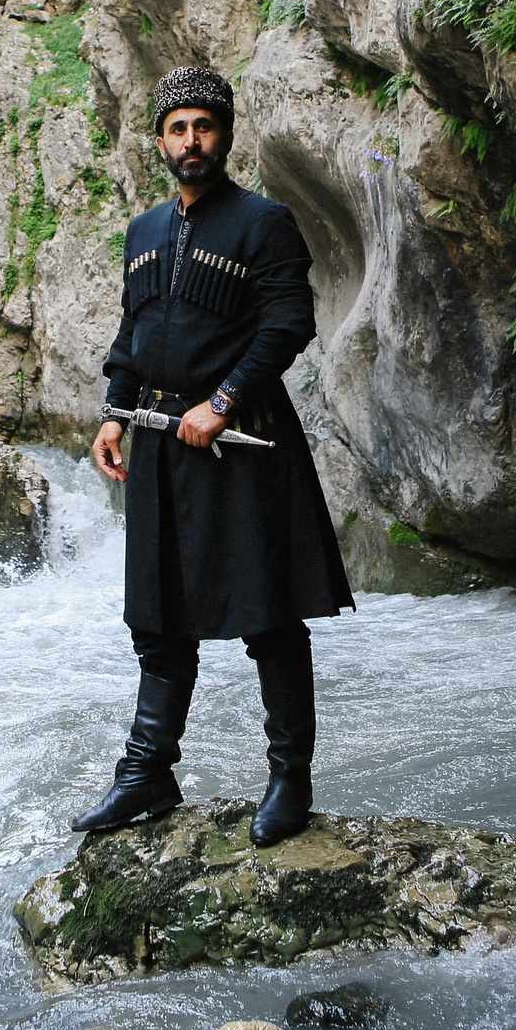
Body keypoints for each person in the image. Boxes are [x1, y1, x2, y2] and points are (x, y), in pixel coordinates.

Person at [77, 66, 353, 846]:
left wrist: (222, 398)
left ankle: (289, 780)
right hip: (160, 444)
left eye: (204, 125)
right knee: (159, 618)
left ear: (224, 134)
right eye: (177, 127)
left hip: (242, 441)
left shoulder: (264, 223)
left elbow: (287, 324)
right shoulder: (142, 232)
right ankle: (147, 775)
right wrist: (113, 414)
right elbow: (132, 334)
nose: (191, 140)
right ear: (160, 139)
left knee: (268, 617)